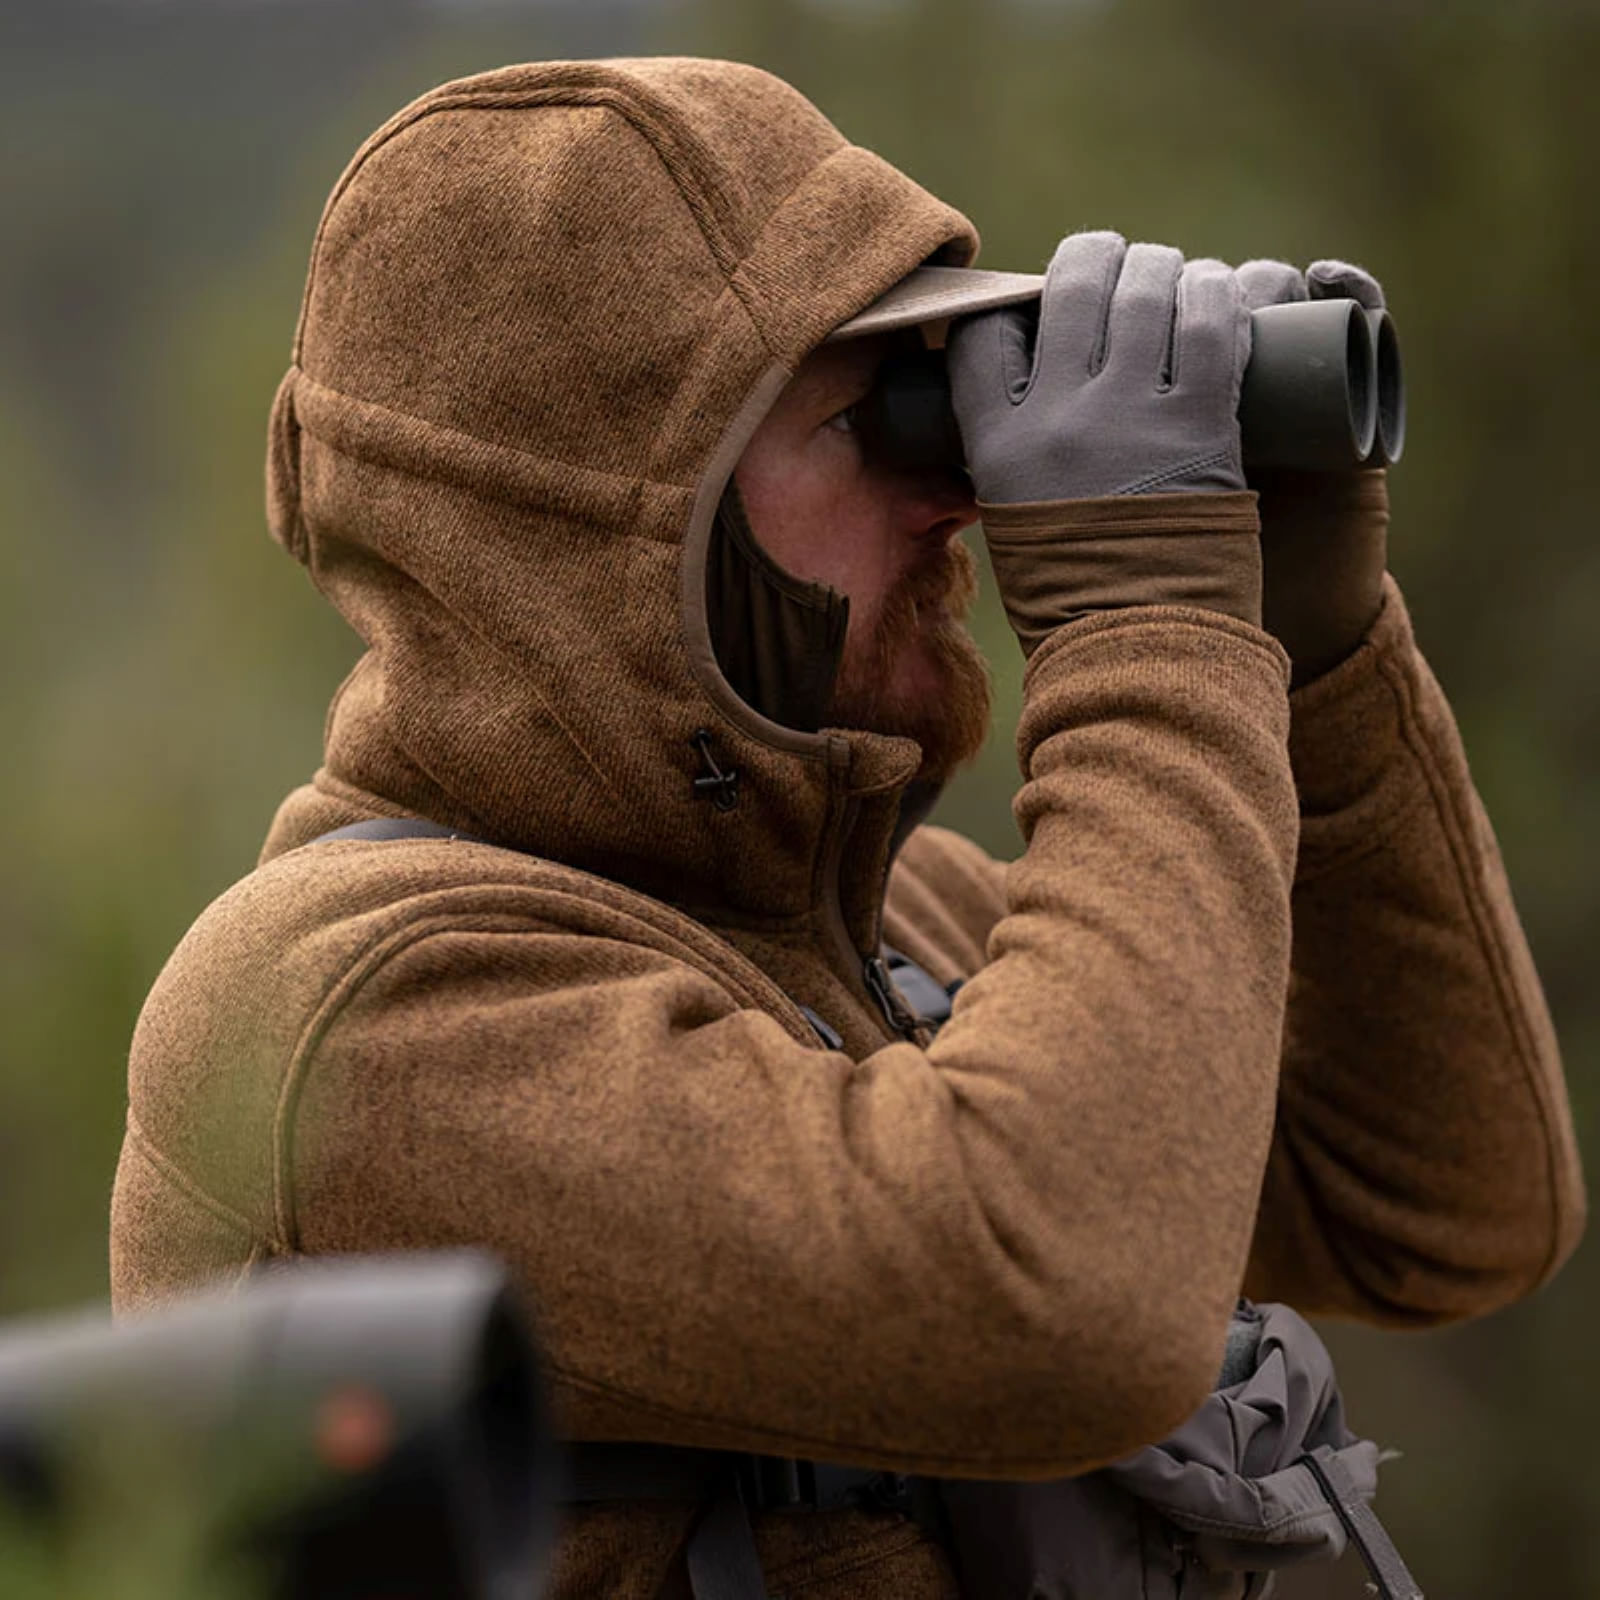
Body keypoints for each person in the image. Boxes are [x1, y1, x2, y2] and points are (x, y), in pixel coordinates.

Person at [110, 57, 1585, 1599]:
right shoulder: (345, 1019)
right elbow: (1059, 1304)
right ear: (614, 525)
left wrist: (1313, 643)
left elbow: (1440, 1206)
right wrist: (1150, 620)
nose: (955, 502)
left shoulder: (898, 942)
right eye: (869, 416)